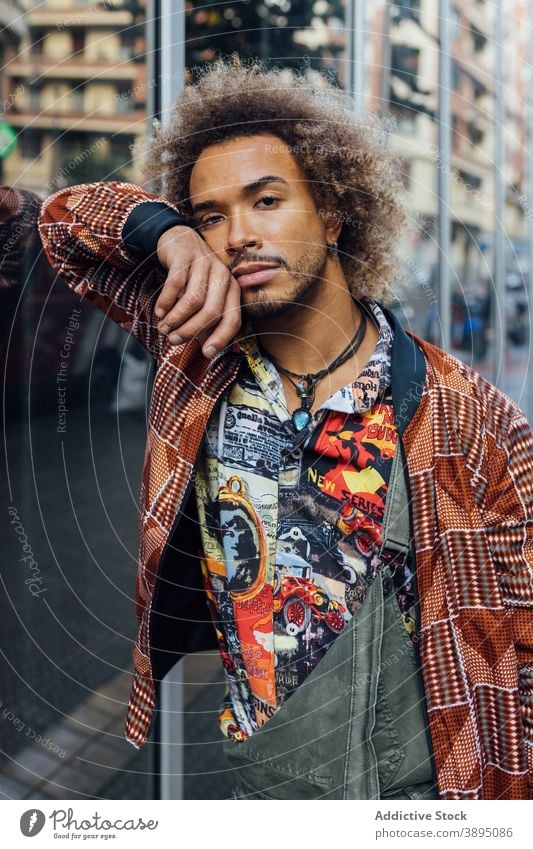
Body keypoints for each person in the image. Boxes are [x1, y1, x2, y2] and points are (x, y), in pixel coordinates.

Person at [38, 57, 533, 800]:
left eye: (265, 200)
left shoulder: (471, 415)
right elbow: (63, 225)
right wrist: (166, 235)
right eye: (210, 213)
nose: (236, 235)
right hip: (262, 797)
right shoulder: (198, 357)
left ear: (334, 213)